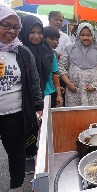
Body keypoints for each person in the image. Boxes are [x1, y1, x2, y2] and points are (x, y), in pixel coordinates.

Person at [0, 5, 43, 192]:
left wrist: (39, 108)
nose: (11, 31)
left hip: (14, 113)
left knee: (16, 152)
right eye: (6, 25)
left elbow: (34, 82)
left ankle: (16, 187)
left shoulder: (23, 52)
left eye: (16, 27)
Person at [19, 15, 59, 174]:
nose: (37, 36)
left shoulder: (49, 50)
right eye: (32, 32)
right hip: (26, 98)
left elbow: (55, 72)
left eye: (39, 32)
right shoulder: (19, 51)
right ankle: (29, 156)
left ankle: (44, 156)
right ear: (25, 32)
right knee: (29, 127)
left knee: (45, 128)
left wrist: (57, 93)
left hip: (47, 95)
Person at [58, 22, 97, 107]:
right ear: (78, 35)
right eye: (82, 35)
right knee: (74, 116)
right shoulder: (69, 49)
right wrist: (68, 83)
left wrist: (95, 86)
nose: (86, 38)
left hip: (92, 94)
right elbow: (61, 67)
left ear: (93, 36)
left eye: (89, 35)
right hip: (74, 92)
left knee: (91, 118)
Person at [44, 26, 63, 107]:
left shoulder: (53, 53)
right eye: (52, 39)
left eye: (57, 40)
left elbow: (55, 75)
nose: (55, 42)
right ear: (43, 38)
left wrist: (58, 93)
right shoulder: (52, 54)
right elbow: (54, 75)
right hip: (47, 93)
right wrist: (59, 95)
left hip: (49, 92)